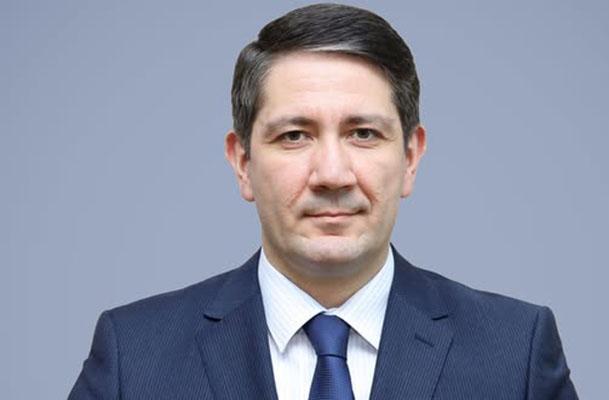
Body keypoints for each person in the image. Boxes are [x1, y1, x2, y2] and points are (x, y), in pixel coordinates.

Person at [69, 4, 578, 399]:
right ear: (243, 162)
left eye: (363, 133)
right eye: (294, 135)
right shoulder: (135, 357)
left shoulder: (515, 354)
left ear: (410, 157)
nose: (332, 174)